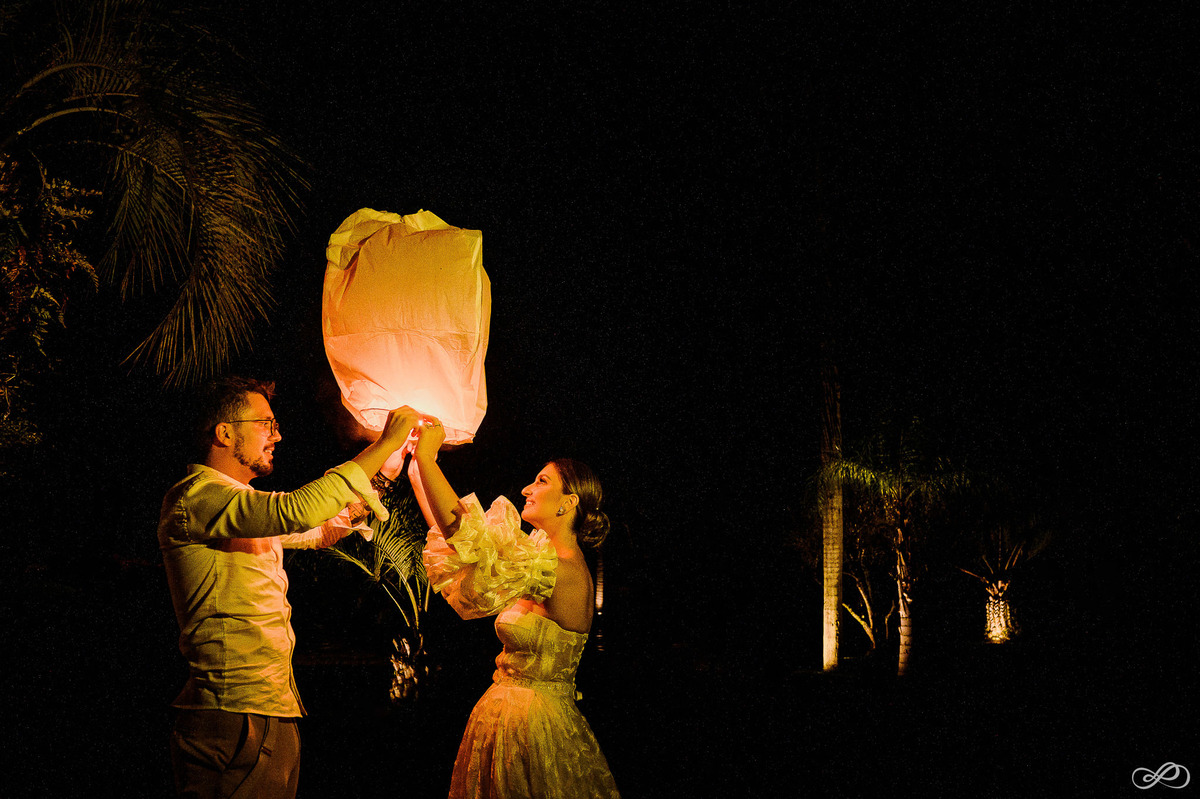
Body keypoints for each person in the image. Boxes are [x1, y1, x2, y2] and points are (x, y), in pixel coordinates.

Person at [158, 376, 422, 799]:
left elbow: (319, 528)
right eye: (266, 423)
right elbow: (298, 509)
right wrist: (381, 444)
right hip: (236, 709)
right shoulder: (198, 497)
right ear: (224, 433)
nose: (277, 435)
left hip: (262, 705)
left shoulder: (236, 505)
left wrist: (387, 468)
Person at [408, 417, 620, 799]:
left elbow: (464, 534)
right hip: (508, 721)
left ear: (569, 502)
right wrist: (417, 465)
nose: (526, 488)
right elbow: (461, 545)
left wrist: (428, 459)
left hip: (535, 729)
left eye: (542, 481)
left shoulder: (560, 568)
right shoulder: (540, 559)